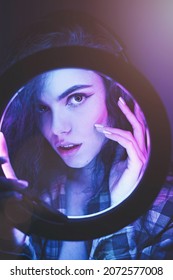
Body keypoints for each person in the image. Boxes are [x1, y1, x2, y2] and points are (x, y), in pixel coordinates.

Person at [0, 10, 173, 260]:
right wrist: (10, 244)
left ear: (114, 96)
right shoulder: (31, 193)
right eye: (43, 108)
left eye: (77, 98)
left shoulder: (163, 208)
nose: (58, 128)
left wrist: (121, 213)